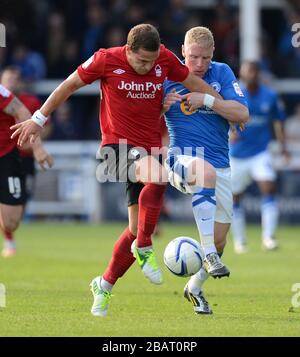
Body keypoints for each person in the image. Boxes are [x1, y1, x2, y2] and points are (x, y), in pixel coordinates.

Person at [10, 24, 222, 317]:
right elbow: (68, 85)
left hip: (146, 151)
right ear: (128, 49)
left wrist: (224, 106)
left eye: (152, 61)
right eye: (141, 61)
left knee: (135, 228)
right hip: (116, 148)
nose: (148, 67)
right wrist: (38, 118)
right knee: (158, 178)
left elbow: (196, 84)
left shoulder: (165, 59)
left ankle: (104, 285)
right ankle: (145, 249)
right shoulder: (105, 59)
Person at [163, 26, 249, 314]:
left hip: (221, 163)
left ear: (213, 55)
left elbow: (242, 114)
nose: (199, 65)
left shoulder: (221, 73)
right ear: (183, 51)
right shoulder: (167, 74)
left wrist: (208, 100)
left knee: (222, 238)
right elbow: (140, 117)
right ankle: (208, 254)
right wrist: (160, 108)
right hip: (181, 158)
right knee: (205, 172)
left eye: (205, 58)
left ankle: (194, 287)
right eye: (193, 57)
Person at [229, 61, 288, 254]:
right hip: (237, 154)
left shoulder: (269, 95)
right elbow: (222, 115)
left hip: (260, 152)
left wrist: (283, 146)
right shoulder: (235, 94)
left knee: (268, 187)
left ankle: (269, 237)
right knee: (234, 197)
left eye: (254, 70)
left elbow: (278, 122)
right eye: (248, 71)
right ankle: (240, 241)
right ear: (243, 74)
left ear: (259, 73)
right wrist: (229, 131)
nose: (251, 74)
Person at [0, 83, 53, 257]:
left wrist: (37, 148)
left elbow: (23, 113)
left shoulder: (2, 93)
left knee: (11, 222)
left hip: (6, 156)